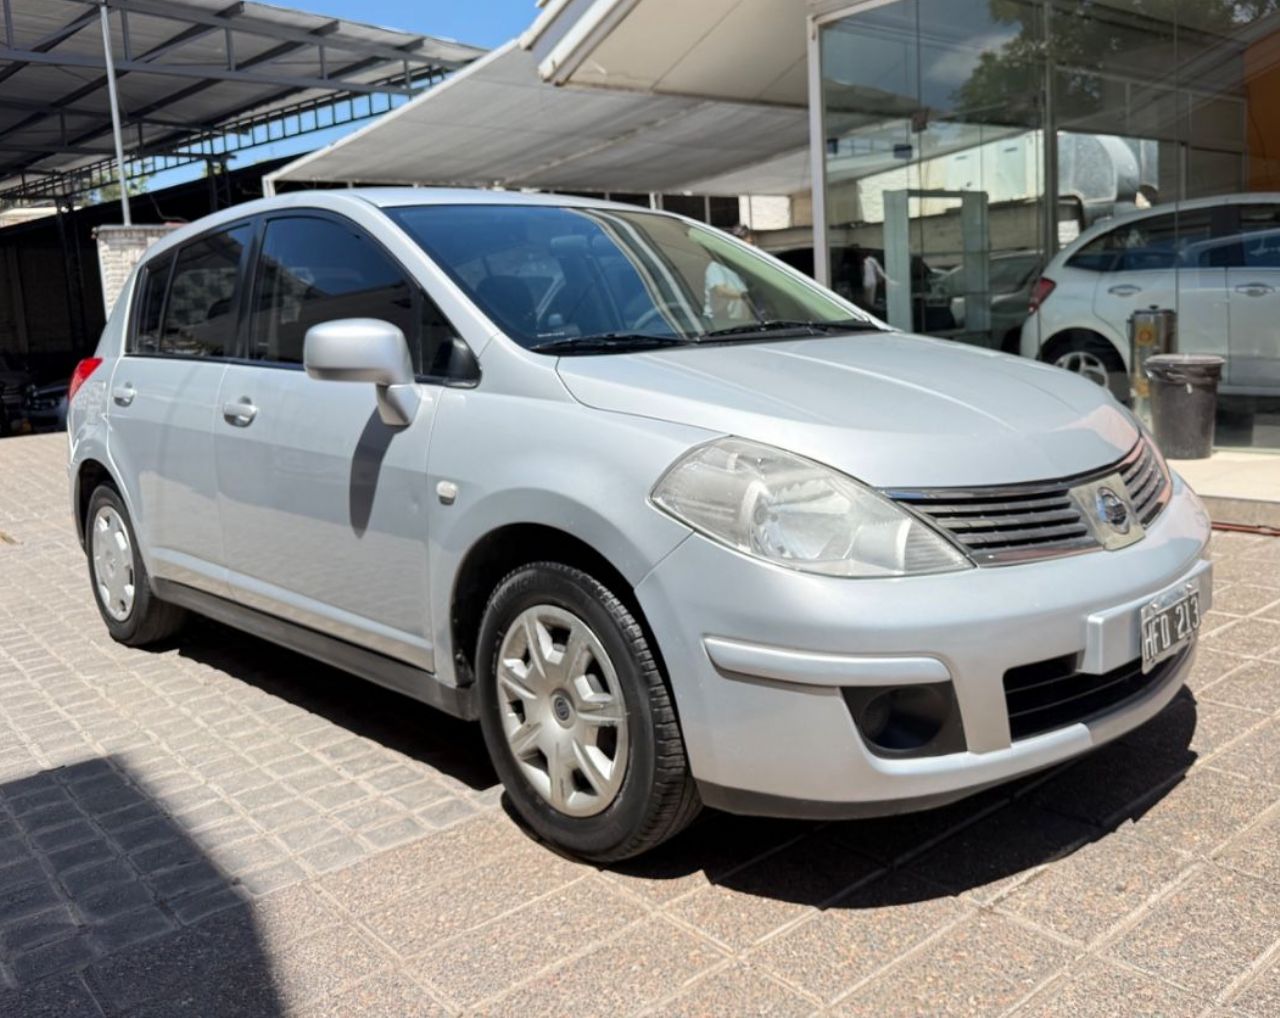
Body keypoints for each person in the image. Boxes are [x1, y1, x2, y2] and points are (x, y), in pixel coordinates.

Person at [703, 225, 754, 321]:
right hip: (719, 321)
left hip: (739, 321)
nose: (751, 248)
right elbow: (721, 291)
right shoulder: (716, 266)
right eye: (747, 245)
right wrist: (746, 296)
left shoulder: (741, 267)